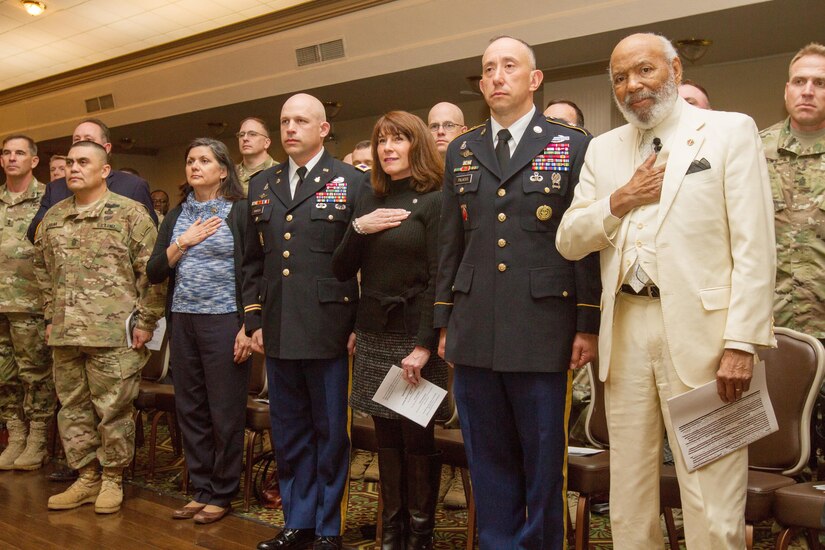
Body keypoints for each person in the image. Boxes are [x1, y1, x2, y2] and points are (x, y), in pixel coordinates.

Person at [556, 33, 776, 548]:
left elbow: (755, 246)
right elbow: (568, 239)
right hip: (627, 331)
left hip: (708, 337)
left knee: (711, 494)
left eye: (644, 71)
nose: (632, 86)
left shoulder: (728, 132)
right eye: (619, 77)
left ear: (674, 69)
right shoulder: (604, 149)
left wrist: (742, 343)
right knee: (628, 491)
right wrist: (620, 200)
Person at [434, 36, 600, 549]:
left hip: (542, 324)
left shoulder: (571, 144)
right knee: (487, 454)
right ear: (481, 84)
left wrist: (587, 324)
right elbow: (450, 240)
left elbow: (588, 243)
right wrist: (443, 321)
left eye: (510, 66)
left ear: (535, 79)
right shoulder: (463, 148)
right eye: (488, 69)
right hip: (475, 322)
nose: (498, 76)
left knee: (543, 455)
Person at [244, 93, 368, 550]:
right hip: (277, 327)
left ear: (323, 129)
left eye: (301, 120)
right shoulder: (261, 185)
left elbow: (367, 263)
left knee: (332, 433)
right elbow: (251, 262)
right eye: (284, 121)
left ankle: (328, 527)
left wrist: (360, 323)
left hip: (330, 327)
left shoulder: (352, 182)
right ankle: (297, 520)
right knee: (290, 431)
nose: (290, 128)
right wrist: (252, 318)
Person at [333, 111, 449, 550]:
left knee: (416, 440)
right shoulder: (370, 199)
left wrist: (423, 346)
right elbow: (342, 268)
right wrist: (357, 229)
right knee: (386, 441)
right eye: (381, 139)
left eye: (398, 138)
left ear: (417, 145)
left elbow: (439, 278)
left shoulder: (436, 200)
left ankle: (419, 535)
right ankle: (392, 533)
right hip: (374, 335)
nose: (387, 147)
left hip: (413, 339)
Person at [34, 140, 165, 514]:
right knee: (72, 409)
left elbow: (153, 275)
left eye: (83, 162)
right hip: (65, 332)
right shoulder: (55, 217)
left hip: (114, 335)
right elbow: (42, 270)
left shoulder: (130, 215)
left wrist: (145, 321)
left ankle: (112, 479)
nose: (74, 168)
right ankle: (87, 477)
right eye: (70, 162)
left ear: (105, 170)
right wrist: (48, 314)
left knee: (113, 411)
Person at [147, 138, 252, 524]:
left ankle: (223, 492)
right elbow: (155, 270)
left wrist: (248, 325)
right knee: (189, 408)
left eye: (204, 160)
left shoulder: (239, 212)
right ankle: (201, 488)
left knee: (223, 411)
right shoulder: (177, 217)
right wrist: (183, 243)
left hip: (225, 319)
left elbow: (255, 270)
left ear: (223, 170)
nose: (195, 166)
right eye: (190, 160)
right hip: (182, 319)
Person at [761, 42, 825, 467]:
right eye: (800, 81)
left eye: (820, 83)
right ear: (786, 90)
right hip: (767, 325)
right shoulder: (753, 149)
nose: (808, 90)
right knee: (767, 439)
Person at [0, 135, 54, 471]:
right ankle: (15, 433)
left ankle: (37, 439)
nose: (11, 158)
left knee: (35, 375)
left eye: (19, 153)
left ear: (34, 161)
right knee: (4, 376)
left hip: (31, 303)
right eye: (6, 153)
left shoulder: (48, 199)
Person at [26, 118, 157, 242]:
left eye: (89, 139)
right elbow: (34, 233)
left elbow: (148, 240)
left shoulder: (132, 186)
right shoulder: (55, 188)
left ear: (106, 149)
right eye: (76, 139)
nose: (81, 143)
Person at [236, 117, 277, 193]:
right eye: (241, 135)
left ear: (266, 143)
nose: (245, 138)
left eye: (252, 134)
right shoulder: (230, 175)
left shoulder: (281, 172)